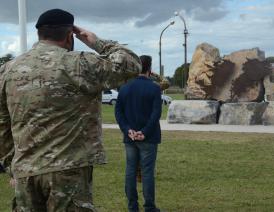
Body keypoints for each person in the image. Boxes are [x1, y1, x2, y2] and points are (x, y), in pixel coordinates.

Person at [0, 8, 141, 211]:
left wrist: (13, 165)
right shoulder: (78, 64)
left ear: (39, 34)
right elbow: (131, 65)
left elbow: (2, 125)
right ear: (69, 36)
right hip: (68, 171)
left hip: (25, 173)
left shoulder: (7, 70)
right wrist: (97, 42)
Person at [115, 55, 162, 212]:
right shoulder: (155, 88)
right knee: (147, 173)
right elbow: (156, 114)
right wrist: (144, 132)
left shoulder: (125, 87)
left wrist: (127, 130)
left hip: (130, 137)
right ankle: (149, 207)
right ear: (150, 68)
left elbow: (118, 112)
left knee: (130, 171)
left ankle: (132, 207)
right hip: (148, 137)